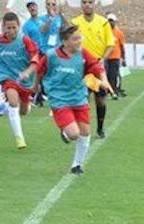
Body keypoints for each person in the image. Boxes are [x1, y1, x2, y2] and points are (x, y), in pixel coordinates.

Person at [36, 24, 111, 174]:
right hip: (59, 100)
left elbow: (97, 67)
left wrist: (104, 80)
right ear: (65, 42)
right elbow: (39, 72)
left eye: (80, 37)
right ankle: (65, 133)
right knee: (74, 134)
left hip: (79, 98)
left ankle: (77, 164)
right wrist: (35, 87)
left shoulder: (83, 53)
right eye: (75, 39)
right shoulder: (51, 56)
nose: (79, 41)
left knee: (85, 132)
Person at [0, 12, 42, 149]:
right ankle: (20, 139)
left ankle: (23, 108)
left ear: (19, 27)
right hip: (7, 77)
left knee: (23, 111)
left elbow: (35, 60)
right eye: (8, 28)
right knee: (13, 101)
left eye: (14, 27)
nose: (11, 31)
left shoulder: (25, 41)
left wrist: (27, 72)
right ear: (3, 27)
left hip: (24, 80)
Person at [71, 0, 116, 138]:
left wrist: (103, 59)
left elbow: (110, 44)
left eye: (90, 2)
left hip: (97, 66)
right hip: (81, 67)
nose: (87, 5)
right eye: (84, 2)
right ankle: (80, 128)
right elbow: (69, 43)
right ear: (81, 4)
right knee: (82, 98)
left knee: (101, 100)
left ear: (94, 3)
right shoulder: (75, 23)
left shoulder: (103, 22)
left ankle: (100, 129)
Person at [106, 14, 127, 98]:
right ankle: (107, 91)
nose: (110, 22)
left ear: (115, 22)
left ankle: (115, 90)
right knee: (105, 75)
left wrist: (124, 58)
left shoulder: (119, 33)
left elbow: (122, 46)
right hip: (105, 57)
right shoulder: (104, 31)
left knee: (114, 75)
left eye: (112, 21)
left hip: (115, 57)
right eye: (109, 20)